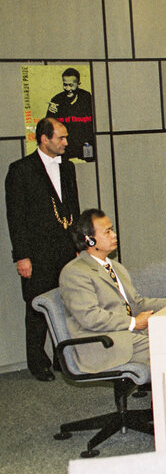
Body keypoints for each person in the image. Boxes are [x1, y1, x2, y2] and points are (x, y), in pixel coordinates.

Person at [5, 117, 80, 381]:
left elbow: (73, 209)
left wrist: (79, 246)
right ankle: (37, 362)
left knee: (66, 304)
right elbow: (16, 217)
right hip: (36, 255)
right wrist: (21, 256)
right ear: (43, 139)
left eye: (66, 137)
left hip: (66, 251)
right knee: (37, 309)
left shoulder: (68, 168)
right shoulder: (21, 170)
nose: (66, 142)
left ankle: (64, 358)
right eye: (60, 137)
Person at [59, 209, 166, 373]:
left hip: (125, 333)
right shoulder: (76, 271)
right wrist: (134, 323)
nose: (114, 235)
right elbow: (90, 316)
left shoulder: (116, 267)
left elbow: (136, 303)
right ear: (90, 240)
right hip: (103, 343)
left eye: (112, 229)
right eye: (107, 231)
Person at [46, 67, 95, 161]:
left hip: (84, 145)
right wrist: (51, 113)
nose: (68, 89)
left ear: (78, 84)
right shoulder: (56, 100)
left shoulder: (87, 97)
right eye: (65, 85)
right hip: (64, 147)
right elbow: (48, 126)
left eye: (71, 85)